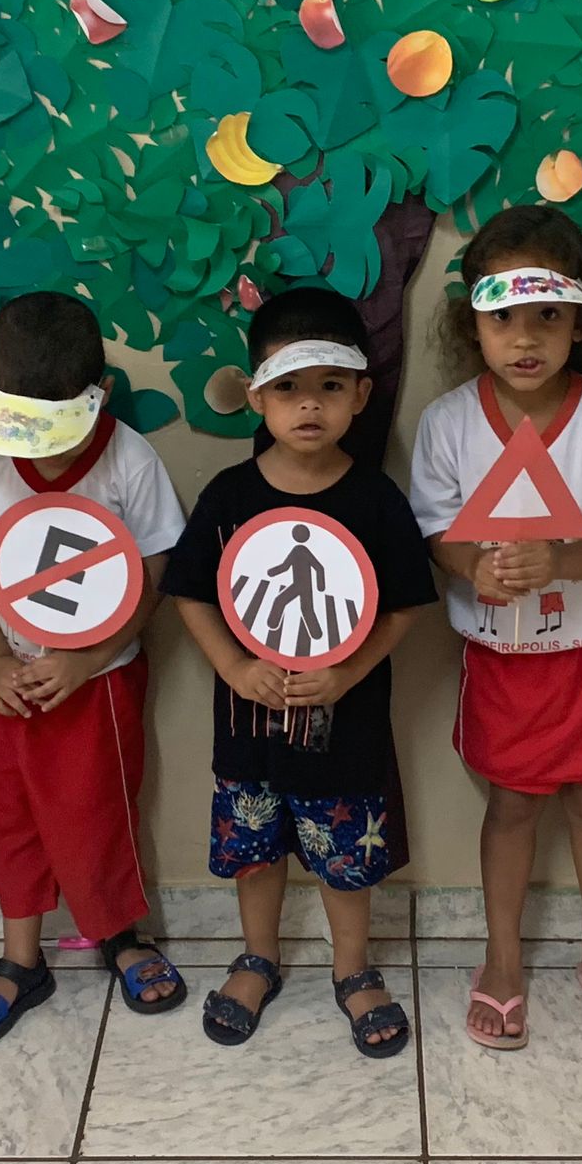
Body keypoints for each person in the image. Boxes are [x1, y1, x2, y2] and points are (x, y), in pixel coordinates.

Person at [163, 288, 436, 1058]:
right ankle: (259, 957)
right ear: (256, 396)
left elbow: (406, 605)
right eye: (287, 387)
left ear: (361, 395)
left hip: (345, 730)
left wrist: (348, 674)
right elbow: (189, 592)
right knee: (255, 853)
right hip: (248, 726)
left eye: (329, 385)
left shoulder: (376, 499)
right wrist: (232, 665)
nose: (308, 405)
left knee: (345, 857)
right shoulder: (230, 495)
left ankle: (353, 968)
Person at [409, 206, 582, 1049]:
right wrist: (470, 565)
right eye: (503, 316)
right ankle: (503, 959)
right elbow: (436, 531)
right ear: (471, 324)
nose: (525, 337)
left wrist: (560, 559)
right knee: (510, 806)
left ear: (579, 322)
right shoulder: (446, 424)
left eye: (548, 314)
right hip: (502, 656)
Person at [0, 291, 188, 1045]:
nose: (37, 450)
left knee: (96, 810)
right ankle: (20, 959)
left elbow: (156, 569)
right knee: (9, 815)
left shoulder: (129, 458)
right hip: (7, 676)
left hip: (99, 680)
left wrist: (90, 659)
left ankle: (120, 935)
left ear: (98, 395)